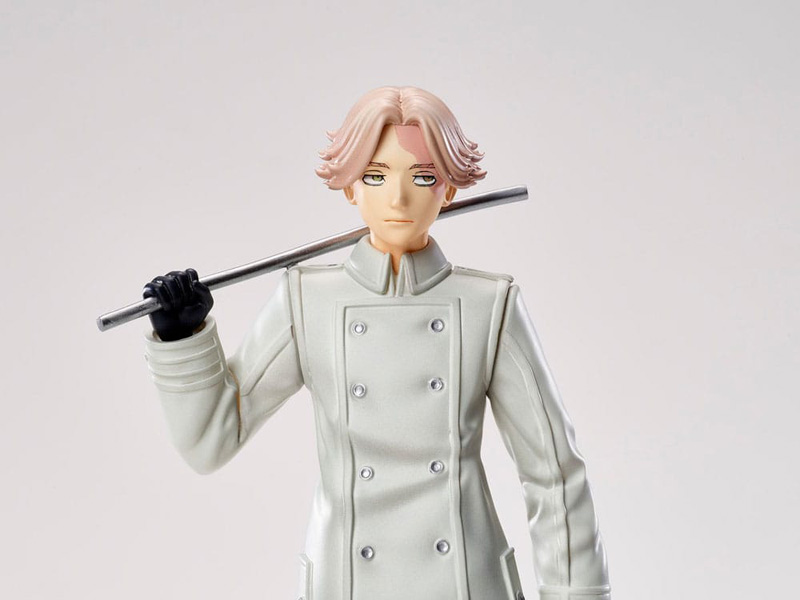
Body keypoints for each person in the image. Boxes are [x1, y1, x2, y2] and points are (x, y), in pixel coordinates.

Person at [142, 86, 611, 600]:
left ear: (449, 190)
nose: (398, 198)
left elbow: (553, 474)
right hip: (347, 581)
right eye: (375, 175)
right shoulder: (306, 298)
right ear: (350, 188)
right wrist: (181, 337)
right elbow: (211, 441)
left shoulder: (489, 304)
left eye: (423, 176)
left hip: (465, 582)